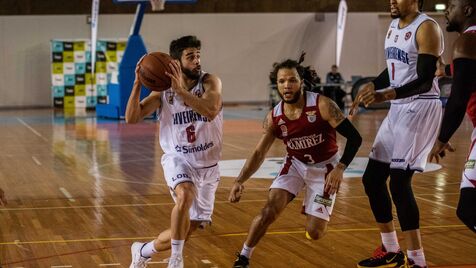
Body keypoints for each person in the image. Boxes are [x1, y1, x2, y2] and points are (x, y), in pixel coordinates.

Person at [230, 58, 362, 267]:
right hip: (295, 166)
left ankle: (312, 201)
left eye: (292, 80)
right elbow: (259, 152)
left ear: (301, 82)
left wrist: (340, 167)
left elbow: (355, 138)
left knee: (315, 232)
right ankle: (243, 257)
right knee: (269, 210)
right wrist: (240, 180)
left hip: (326, 169)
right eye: (282, 81)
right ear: (277, 84)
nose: (286, 85)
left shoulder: (323, 105)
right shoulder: (275, 116)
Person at [350, 0, 444, 267]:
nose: (392, 0)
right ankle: (391, 250)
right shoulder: (393, 26)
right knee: (372, 179)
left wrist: (389, 92)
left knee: (400, 183)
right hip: (398, 107)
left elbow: (425, 79)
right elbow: (394, 69)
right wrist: (373, 84)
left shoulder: (426, 28)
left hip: (421, 106)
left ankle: (417, 261)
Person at [126, 35, 223, 268]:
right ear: (176, 62)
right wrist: (138, 83)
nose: (197, 60)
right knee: (185, 194)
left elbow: (210, 110)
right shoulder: (163, 92)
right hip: (178, 158)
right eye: (191, 56)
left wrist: (181, 92)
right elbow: (132, 118)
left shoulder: (210, 82)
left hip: (208, 165)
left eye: (198, 55)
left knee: (188, 228)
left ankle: (143, 250)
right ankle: (176, 260)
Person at [428, 0, 476, 234]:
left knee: (468, 209)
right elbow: (469, 74)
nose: (447, 10)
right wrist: (446, 70)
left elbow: (458, 99)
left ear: (468, 10)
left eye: (452, 5)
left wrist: (441, 138)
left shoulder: (466, 41)